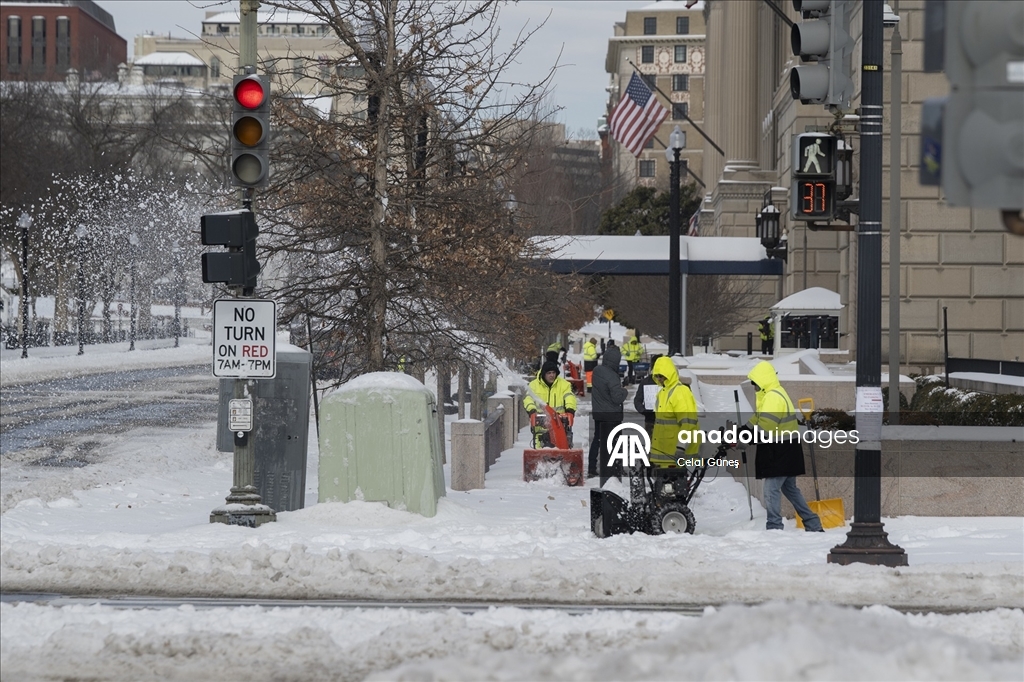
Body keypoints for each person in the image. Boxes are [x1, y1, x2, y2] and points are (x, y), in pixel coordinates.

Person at [745, 360, 823, 532]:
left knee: (770, 490)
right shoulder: (773, 395)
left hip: (780, 452)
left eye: (755, 384)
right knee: (791, 490)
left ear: (762, 381)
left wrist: (744, 440)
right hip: (788, 450)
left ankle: (774, 526)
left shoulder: (773, 397)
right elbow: (755, 421)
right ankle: (813, 523)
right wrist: (739, 432)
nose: (754, 388)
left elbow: (765, 430)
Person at [649, 356, 700, 468]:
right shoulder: (663, 392)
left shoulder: (680, 392)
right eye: (656, 376)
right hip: (664, 455)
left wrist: (681, 446)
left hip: (676, 454)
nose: (659, 379)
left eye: (661, 376)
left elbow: (688, 423)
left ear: (669, 374)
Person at [589, 344, 629, 479]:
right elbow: (617, 398)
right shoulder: (612, 376)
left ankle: (592, 467)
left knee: (597, 440)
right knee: (617, 441)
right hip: (612, 415)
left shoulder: (597, 371)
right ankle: (616, 467)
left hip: (598, 412)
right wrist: (624, 390)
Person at [523, 360, 577, 449]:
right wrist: (532, 411)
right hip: (541, 426)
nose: (552, 375)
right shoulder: (534, 385)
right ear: (544, 374)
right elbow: (528, 399)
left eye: (553, 372)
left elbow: (569, 397)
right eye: (549, 373)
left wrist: (570, 410)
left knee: (562, 450)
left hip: (560, 425)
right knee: (540, 453)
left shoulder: (564, 385)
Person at [632, 354, 662, 435]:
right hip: (650, 420)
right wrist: (644, 411)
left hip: (665, 421)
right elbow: (638, 400)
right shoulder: (646, 382)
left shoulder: (668, 383)